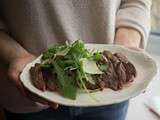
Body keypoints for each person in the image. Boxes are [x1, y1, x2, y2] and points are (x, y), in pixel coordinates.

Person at [0, 0, 151, 120]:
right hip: (28, 95)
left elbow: (136, 2)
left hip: (109, 94)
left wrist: (123, 50)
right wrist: (15, 55)